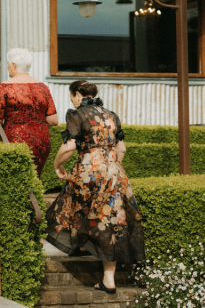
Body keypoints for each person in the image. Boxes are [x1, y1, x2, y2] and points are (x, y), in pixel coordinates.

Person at [45, 80, 144, 293]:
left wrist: (57, 165)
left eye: (71, 95)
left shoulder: (76, 114)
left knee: (70, 202)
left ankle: (82, 242)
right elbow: (122, 148)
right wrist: (111, 168)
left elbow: (70, 145)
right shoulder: (111, 115)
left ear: (78, 95)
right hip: (114, 170)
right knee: (110, 218)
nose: (71, 99)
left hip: (89, 169)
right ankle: (108, 279)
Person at [0, 48, 58, 176]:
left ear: (14, 66)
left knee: (16, 179)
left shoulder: (4, 87)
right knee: (35, 178)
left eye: (8, 64)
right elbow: (53, 120)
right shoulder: (43, 88)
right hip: (41, 138)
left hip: (15, 138)